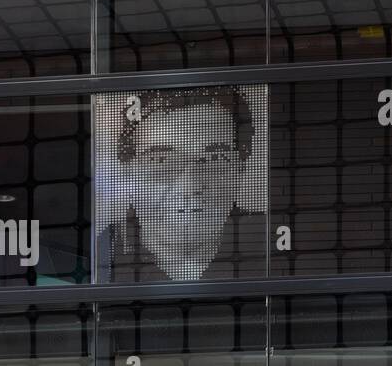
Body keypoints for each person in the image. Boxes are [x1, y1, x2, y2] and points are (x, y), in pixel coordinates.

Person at [97, 86, 266, 282]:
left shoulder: (267, 244)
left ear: (239, 169)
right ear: (128, 173)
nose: (190, 187)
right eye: (160, 160)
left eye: (215, 158)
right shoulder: (96, 255)